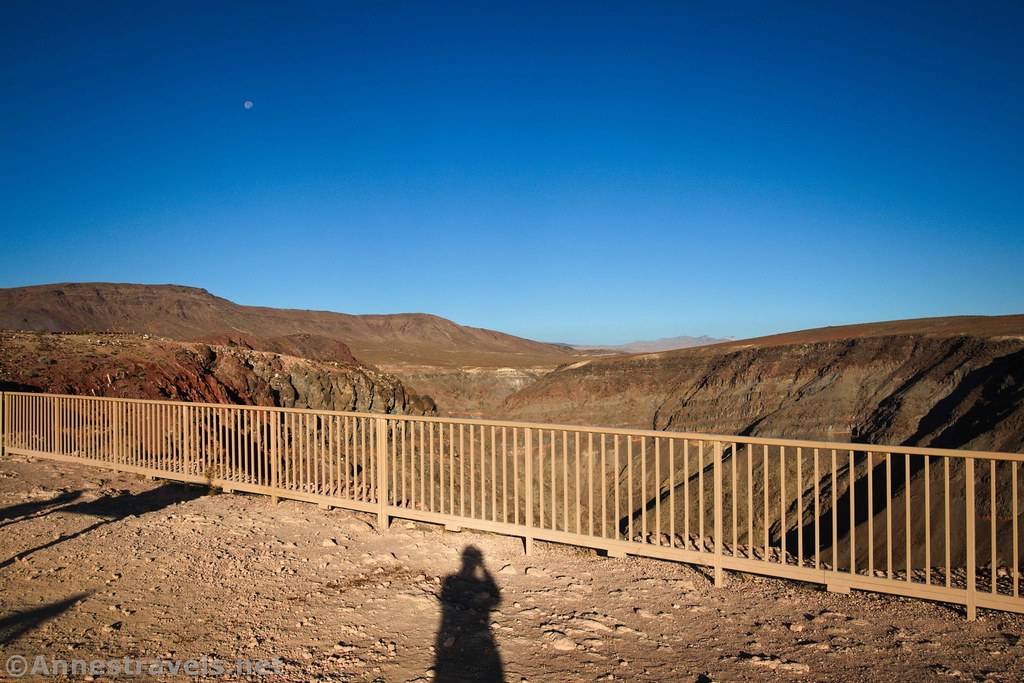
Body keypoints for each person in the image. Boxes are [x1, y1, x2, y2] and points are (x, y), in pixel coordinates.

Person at [434, 545, 504, 682]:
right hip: (476, 631)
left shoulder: (451, 580)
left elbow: (445, 600)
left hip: (456, 631)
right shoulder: (455, 581)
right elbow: (496, 599)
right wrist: (484, 569)